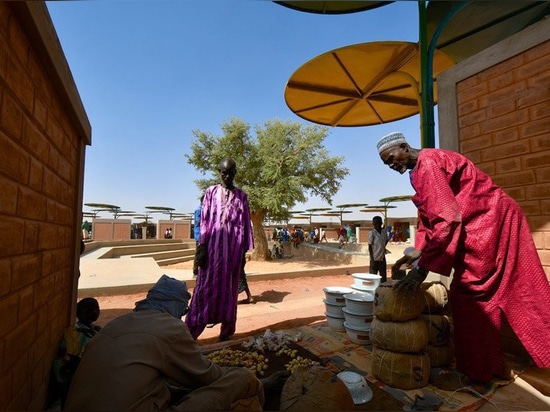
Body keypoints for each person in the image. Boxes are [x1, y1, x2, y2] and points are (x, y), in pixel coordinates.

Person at [376, 131, 550, 383]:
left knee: (471, 296)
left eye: (392, 157)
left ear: (404, 146)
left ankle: (476, 374)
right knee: (488, 299)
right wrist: (417, 251)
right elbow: (429, 216)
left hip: (490, 224)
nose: (392, 165)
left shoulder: (429, 165)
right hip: (487, 225)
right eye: (387, 164)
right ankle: (489, 368)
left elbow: (447, 218)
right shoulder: (420, 169)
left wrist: (422, 269)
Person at [63, 275, 275, 411]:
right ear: (177, 307)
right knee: (241, 378)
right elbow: (207, 377)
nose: (182, 316)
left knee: (169, 385)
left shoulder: (116, 323)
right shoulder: (170, 328)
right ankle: (262, 390)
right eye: (183, 311)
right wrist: (233, 374)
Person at [186, 157, 254, 341]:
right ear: (219, 172)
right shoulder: (210, 192)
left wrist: (243, 254)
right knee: (203, 291)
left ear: (235, 173)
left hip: (232, 256)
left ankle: (226, 333)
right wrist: (201, 248)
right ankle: (191, 333)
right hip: (211, 254)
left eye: (230, 172)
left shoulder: (242, 197)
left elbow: (245, 225)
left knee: (229, 294)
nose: (227, 176)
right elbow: (205, 221)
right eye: (224, 172)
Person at [48, 298, 101, 410]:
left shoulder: (92, 330)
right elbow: (70, 355)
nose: (95, 312)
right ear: (79, 314)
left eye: (97, 309)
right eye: (89, 311)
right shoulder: (74, 333)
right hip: (74, 372)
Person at [368, 215, 389, 283]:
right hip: (374, 259)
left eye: (379, 223)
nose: (377, 224)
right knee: (372, 278)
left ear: (381, 223)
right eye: (375, 223)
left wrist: (382, 247)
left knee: (383, 278)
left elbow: (386, 240)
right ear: (373, 224)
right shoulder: (372, 233)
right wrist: (372, 259)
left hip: (382, 258)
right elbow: (370, 246)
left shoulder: (384, 232)